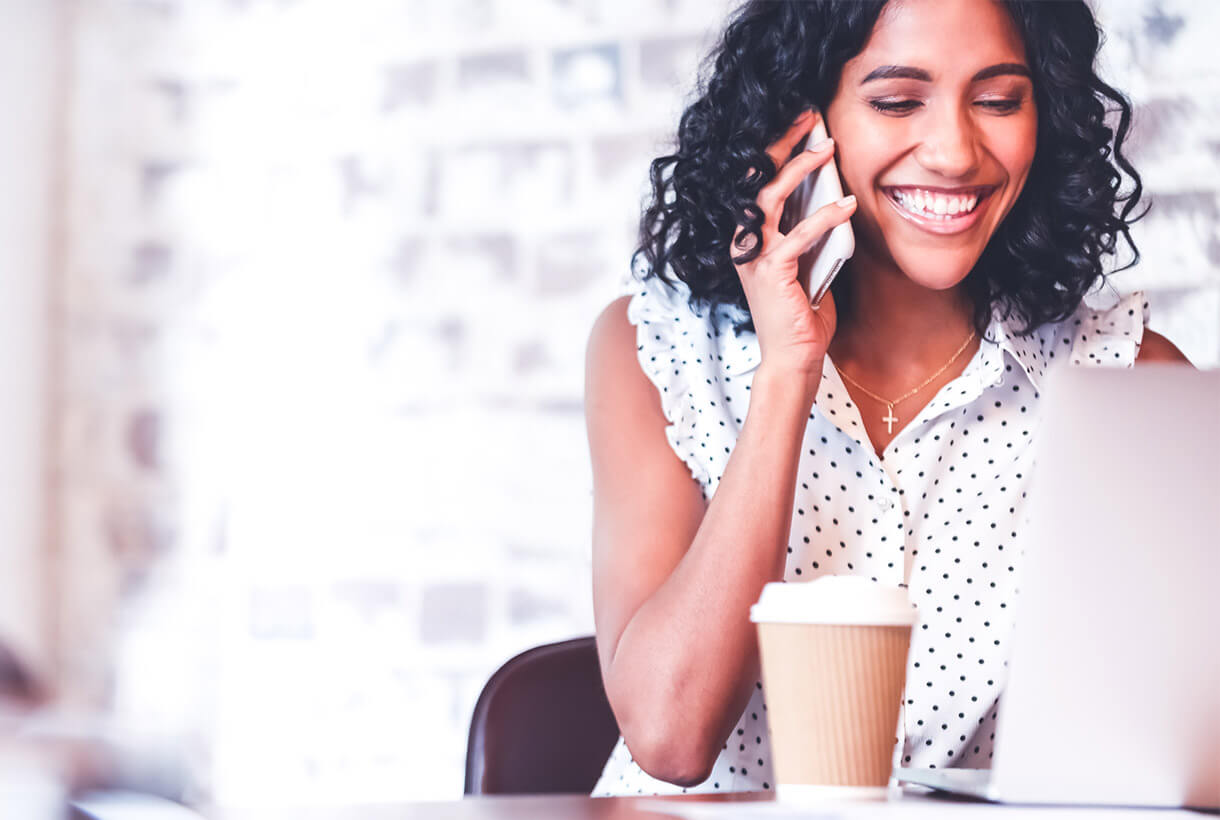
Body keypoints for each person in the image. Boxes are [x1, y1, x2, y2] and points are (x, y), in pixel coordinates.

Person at [583, 0, 1194, 798]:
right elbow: (672, 737)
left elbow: (1172, 746)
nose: (952, 152)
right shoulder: (661, 353)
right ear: (800, 121)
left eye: (999, 99)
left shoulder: (1126, 386)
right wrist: (786, 373)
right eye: (897, 100)